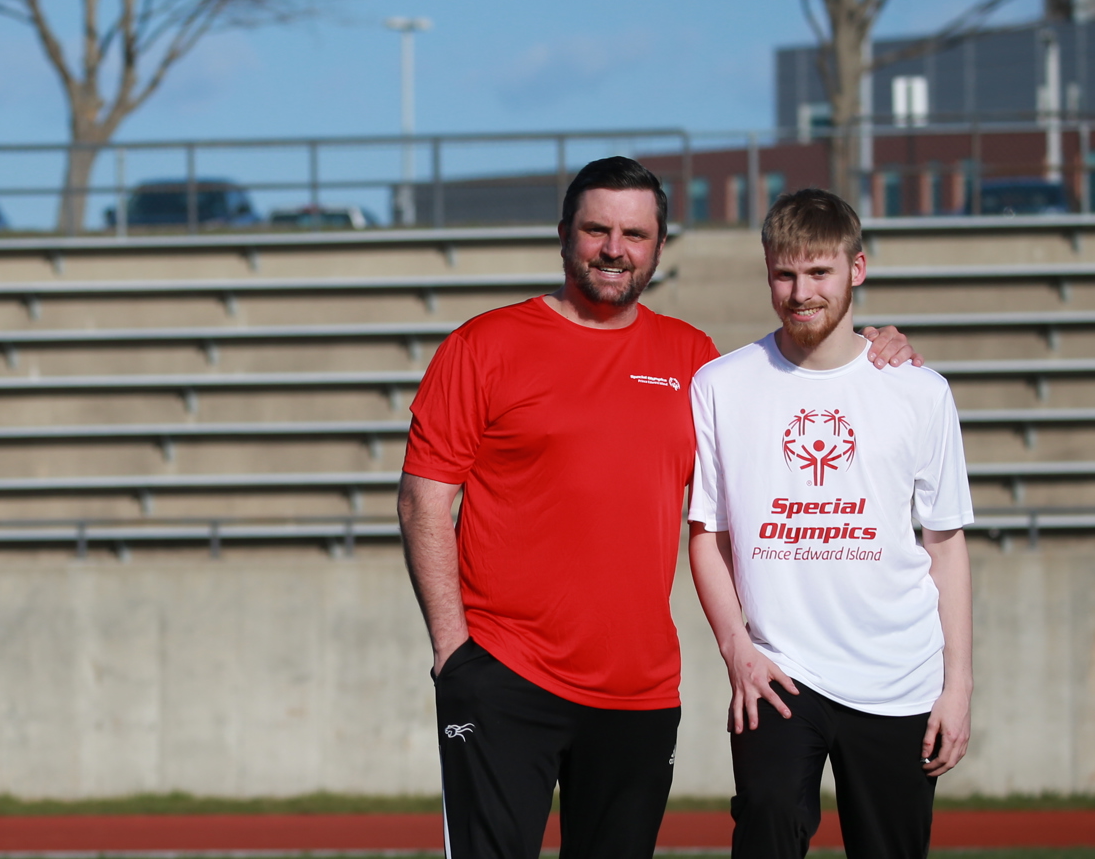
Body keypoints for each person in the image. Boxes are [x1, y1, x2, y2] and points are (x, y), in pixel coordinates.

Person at [398, 157, 918, 859]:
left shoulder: (694, 360)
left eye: (634, 234)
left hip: (638, 694)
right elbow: (424, 498)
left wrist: (873, 346)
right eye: (596, 230)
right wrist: (451, 652)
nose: (614, 248)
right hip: (502, 675)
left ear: (658, 247)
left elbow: (794, 401)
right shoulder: (482, 346)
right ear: (563, 235)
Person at [686, 189, 972, 859]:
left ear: (856, 269)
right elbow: (707, 536)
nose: (799, 292)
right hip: (779, 670)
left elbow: (946, 543)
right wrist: (737, 650)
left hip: (897, 674)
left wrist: (955, 686)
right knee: (765, 825)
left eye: (818, 273)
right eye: (784, 274)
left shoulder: (918, 391)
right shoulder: (721, 384)